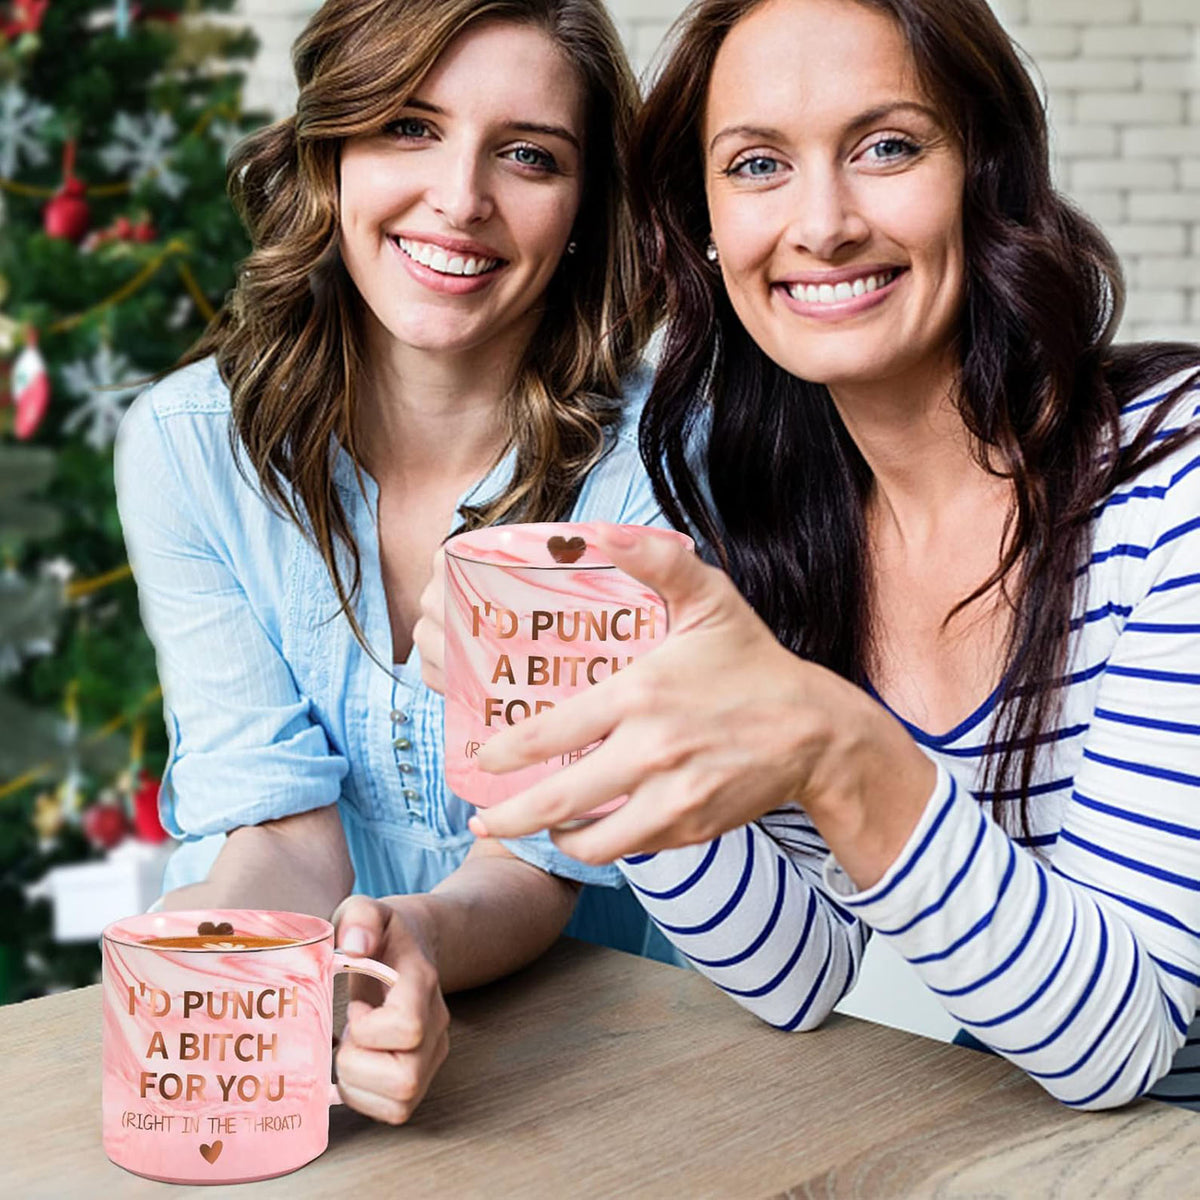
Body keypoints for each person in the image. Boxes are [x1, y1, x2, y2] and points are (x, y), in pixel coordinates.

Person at [464, 0, 1200, 1110]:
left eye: (887, 147)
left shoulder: (1173, 484)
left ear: (986, 173)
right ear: (703, 223)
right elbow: (795, 971)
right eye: (757, 164)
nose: (823, 222)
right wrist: (590, 714)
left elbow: (1119, 1042)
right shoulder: (786, 533)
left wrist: (834, 746)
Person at [115, 0, 676, 1128]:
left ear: (584, 207)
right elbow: (274, 822)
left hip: (593, 1038)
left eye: (528, 155)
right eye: (409, 128)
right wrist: (271, 981)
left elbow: (543, 856)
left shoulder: (659, 464)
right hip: (305, 1006)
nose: (460, 199)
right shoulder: (187, 449)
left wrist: (400, 943)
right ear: (330, 154)